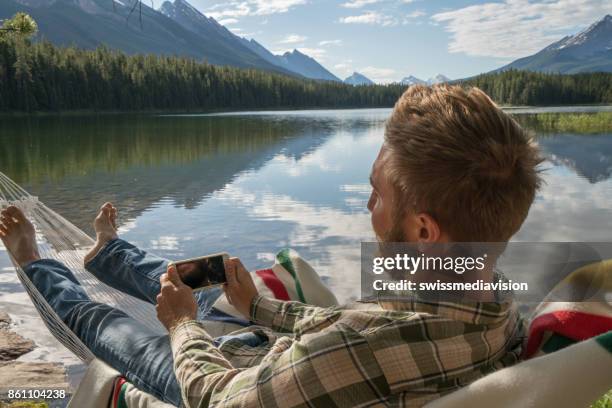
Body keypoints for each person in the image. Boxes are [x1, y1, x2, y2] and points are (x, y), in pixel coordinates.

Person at [0, 85, 543, 408]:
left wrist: (182, 328)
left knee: (109, 326)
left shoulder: (360, 349)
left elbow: (218, 399)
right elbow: (362, 333)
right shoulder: (496, 302)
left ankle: (34, 262)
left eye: (376, 195)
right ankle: (107, 253)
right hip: (283, 362)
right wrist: (259, 306)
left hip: (224, 381)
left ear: (424, 231)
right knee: (211, 283)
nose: (366, 208)